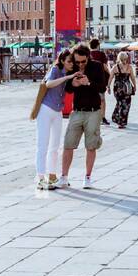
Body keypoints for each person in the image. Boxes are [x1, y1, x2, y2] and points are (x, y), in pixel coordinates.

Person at [60, 45, 105, 189]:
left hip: (93, 111)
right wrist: (73, 83)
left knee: (91, 146)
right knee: (68, 144)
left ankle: (87, 177)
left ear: (88, 57)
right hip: (77, 111)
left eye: (83, 61)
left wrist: (89, 83)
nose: (80, 64)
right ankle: (64, 177)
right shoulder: (73, 67)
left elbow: (103, 87)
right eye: (77, 61)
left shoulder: (97, 67)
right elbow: (66, 88)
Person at [35, 50, 76, 190]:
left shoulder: (69, 73)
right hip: (46, 109)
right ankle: (40, 177)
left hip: (58, 111)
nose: (72, 64)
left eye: (73, 62)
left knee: (55, 145)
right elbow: (49, 84)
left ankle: (52, 176)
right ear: (63, 60)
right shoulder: (55, 69)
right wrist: (66, 77)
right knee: (43, 144)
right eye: (69, 61)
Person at [88, 38, 111, 125]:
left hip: (89, 78)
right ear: (98, 45)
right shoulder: (101, 54)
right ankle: (102, 117)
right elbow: (105, 66)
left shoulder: (88, 54)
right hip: (100, 78)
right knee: (102, 99)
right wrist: (109, 73)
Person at [111, 51, 137, 128]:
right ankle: (121, 122)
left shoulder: (115, 67)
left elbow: (111, 77)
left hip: (117, 88)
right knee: (126, 105)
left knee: (120, 103)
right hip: (127, 88)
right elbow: (132, 77)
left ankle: (117, 118)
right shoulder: (129, 67)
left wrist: (108, 86)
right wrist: (135, 86)